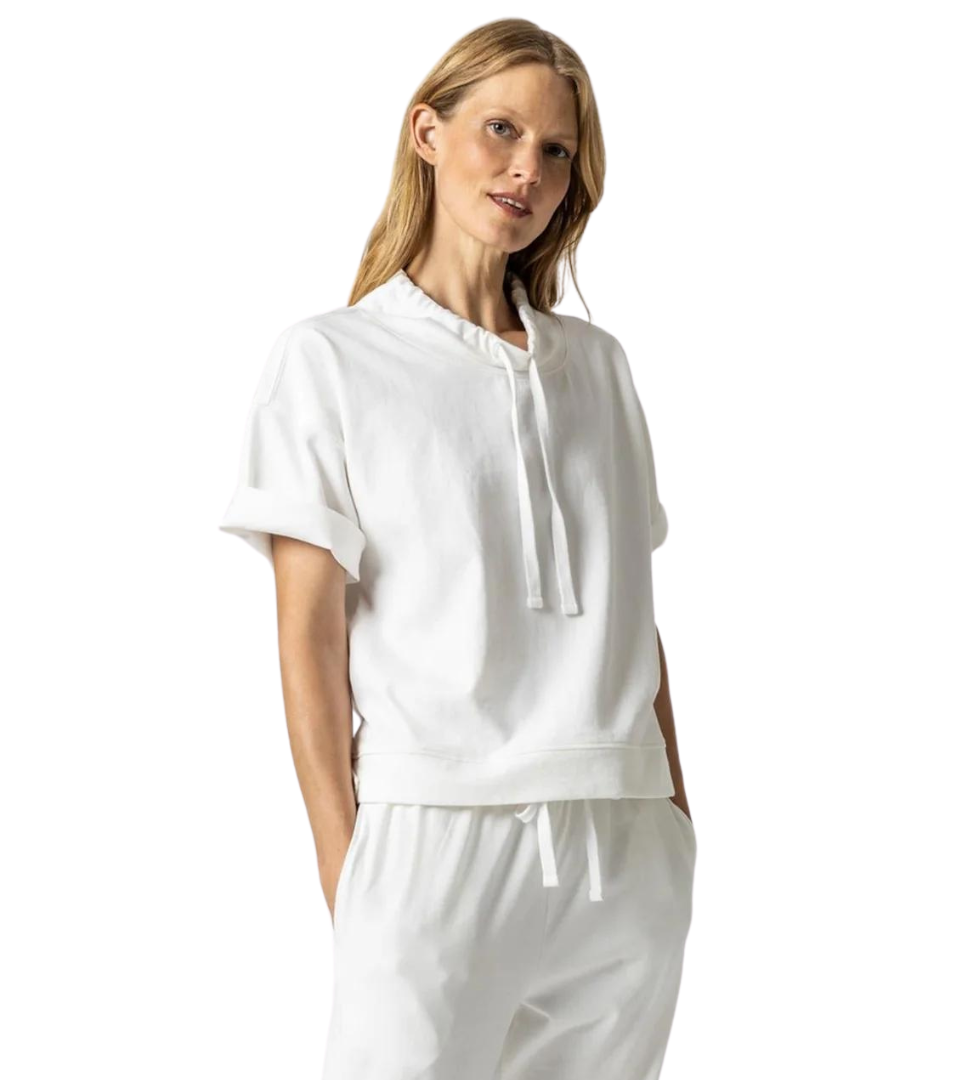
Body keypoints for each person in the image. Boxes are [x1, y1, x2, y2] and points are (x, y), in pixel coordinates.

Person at [218, 17, 695, 1080]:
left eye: (557, 149)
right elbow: (308, 639)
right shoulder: (331, 361)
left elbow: (633, 610)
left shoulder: (601, 368)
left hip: (622, 845)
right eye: (502, 130)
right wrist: (350, 875)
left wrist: (675, 821)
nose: (529, 169)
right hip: (432, 834)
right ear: (426, 133)